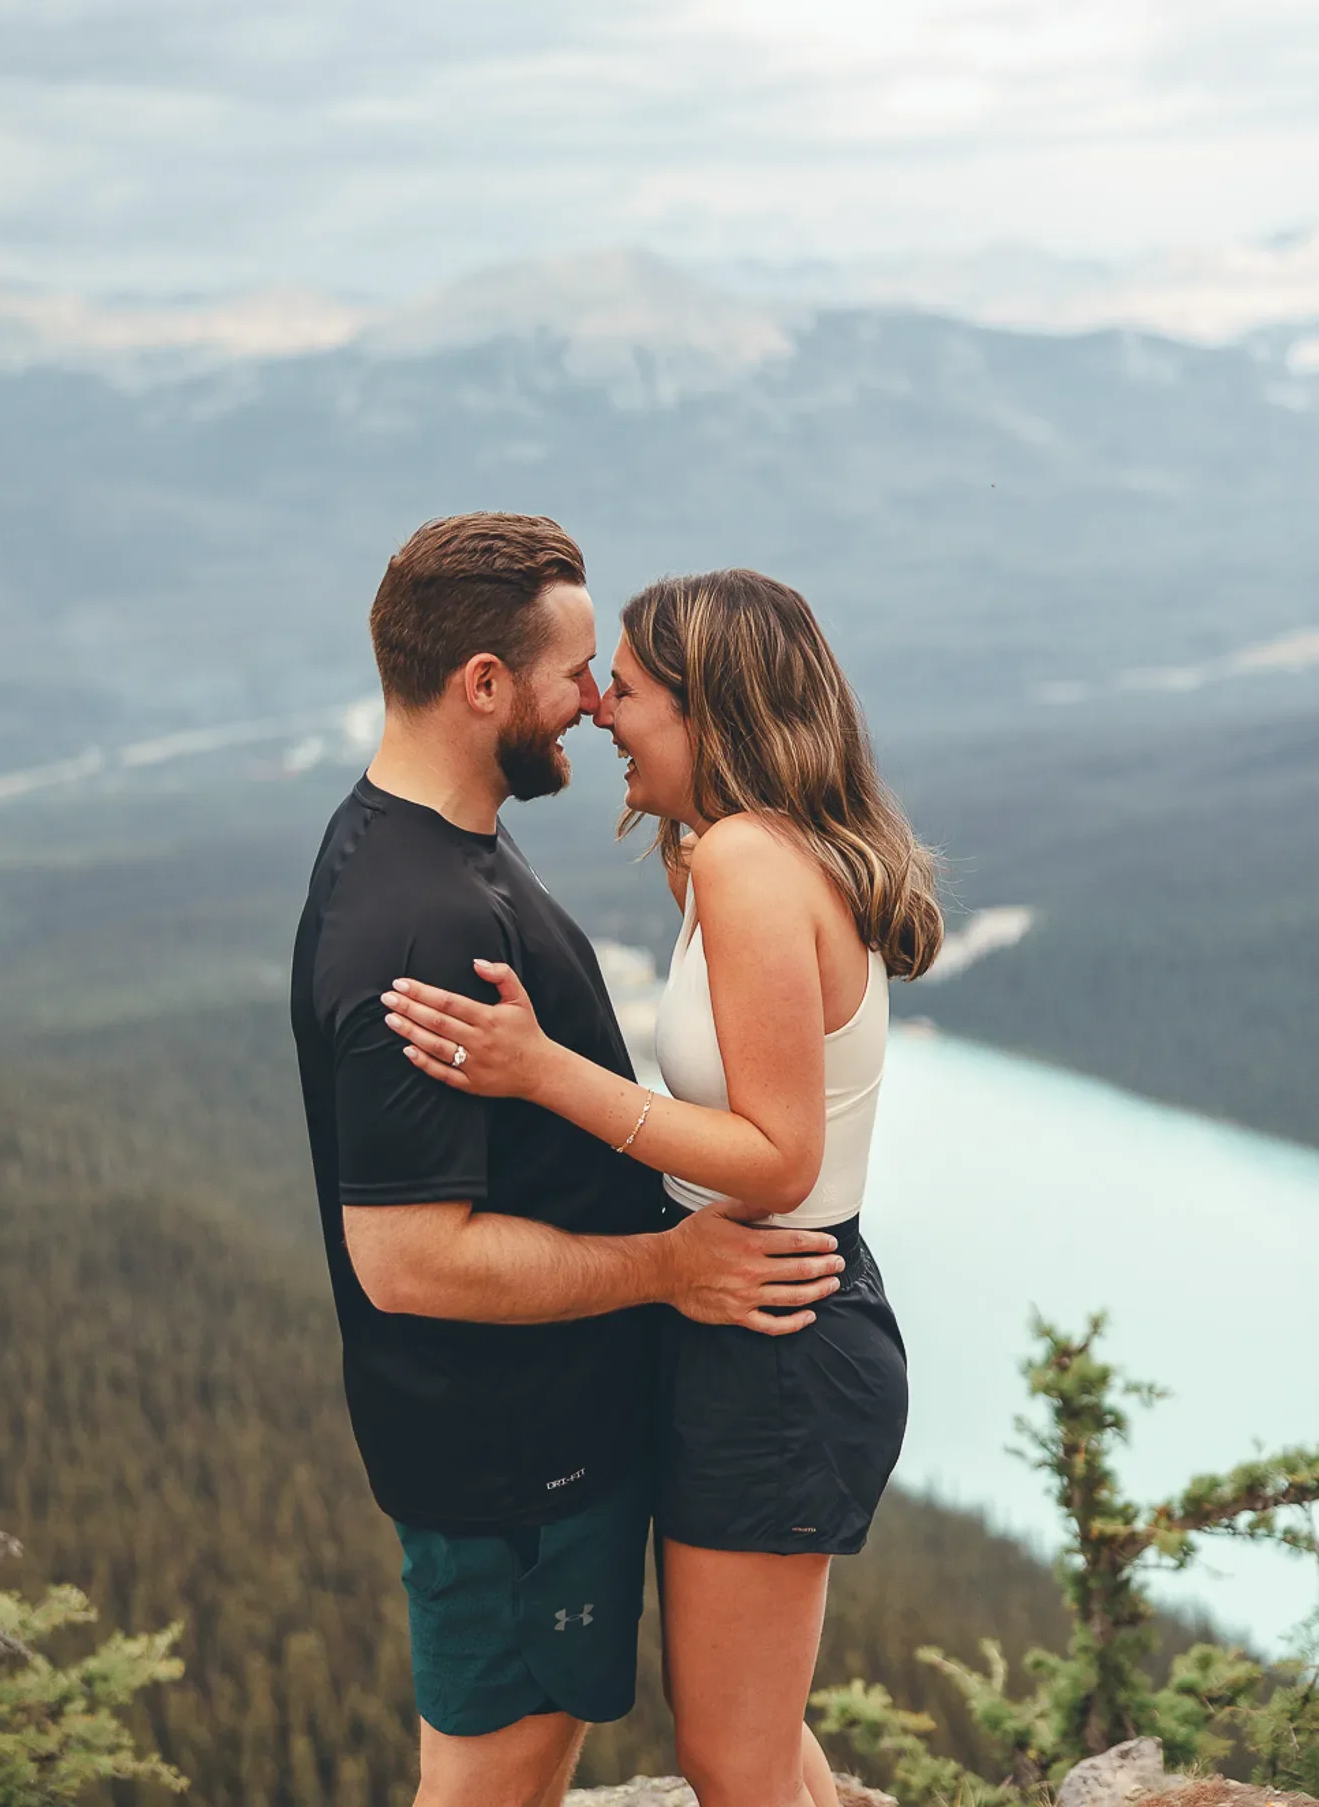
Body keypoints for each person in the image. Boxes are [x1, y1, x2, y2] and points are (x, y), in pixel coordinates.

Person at [290, 520, 847, 1807]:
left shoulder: (431, 846)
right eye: (578, 671)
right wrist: (670, 1266)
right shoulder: (419, 915)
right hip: (510, 1465)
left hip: (529, 1450)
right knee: (497, 1788)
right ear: (483, 683)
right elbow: (409, 1257)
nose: (596, 702)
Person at [381, 566, 945, 1807]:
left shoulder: (747, 859)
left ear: (707, 710)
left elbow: (779, 1155)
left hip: (782, 1331)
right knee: (760, 1734)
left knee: (730, 1758)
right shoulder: (725, 855)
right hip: (762, 1315)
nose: (596, 711)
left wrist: (543, 1073)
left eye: (624, 689)